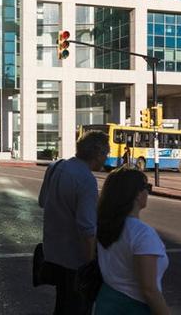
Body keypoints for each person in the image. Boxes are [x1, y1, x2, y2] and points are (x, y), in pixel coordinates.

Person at [38, 130, 109, 315]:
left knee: (61, 305)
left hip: (53, 254)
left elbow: (42, 201)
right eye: (106, 153)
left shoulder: (55, 167)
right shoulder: (86, 180)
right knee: (76, 308)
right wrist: (90, 264)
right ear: (98, 153)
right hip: (74, 260)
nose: (106, 159)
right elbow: (87, 228)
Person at [95, 169, 169, 314]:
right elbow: (149, 290)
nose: (148, 192)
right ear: (137, 194)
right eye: (147, 188)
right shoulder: (142, 234)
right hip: (134, 307)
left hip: (106, 302)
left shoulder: (106, 226)